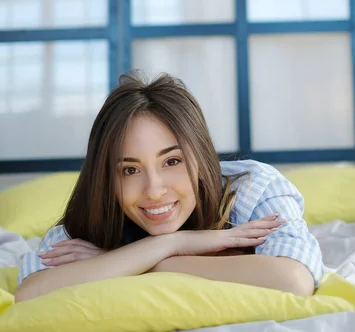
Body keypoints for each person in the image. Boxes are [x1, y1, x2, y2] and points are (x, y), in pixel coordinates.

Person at [15, 71, 323, 302]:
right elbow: (30, 294)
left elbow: (293, 281)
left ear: (200, 157)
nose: (154, 190)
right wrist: (170, 243)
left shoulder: (253, 191)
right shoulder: (94, 217)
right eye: (130, 169)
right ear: (108, 178)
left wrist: (135, 262)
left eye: (172, 161)